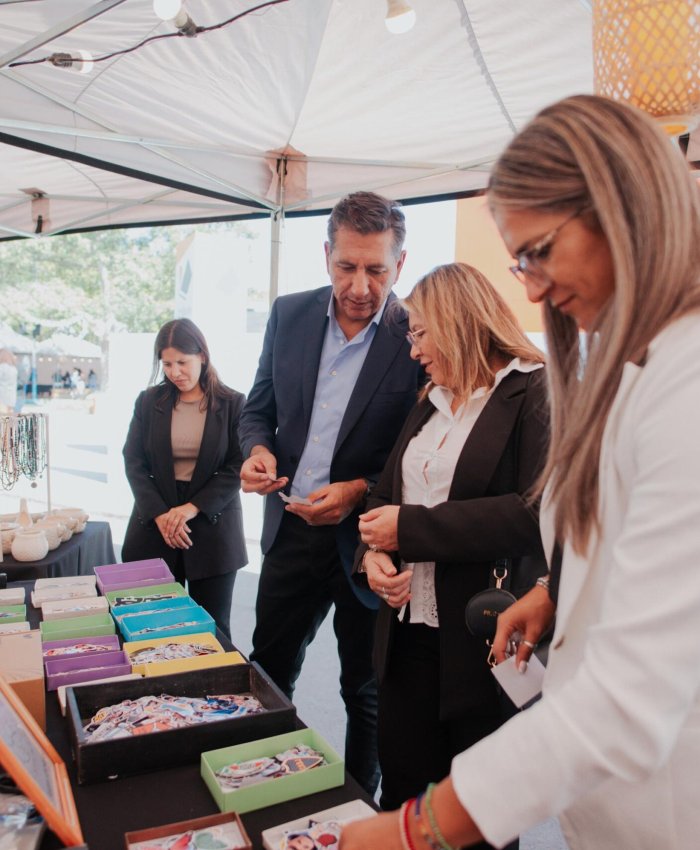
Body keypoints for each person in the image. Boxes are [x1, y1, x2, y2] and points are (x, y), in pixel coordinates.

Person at [340, 94, 700, 850]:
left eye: (539, 251)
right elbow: (610, 534)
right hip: (603, 801)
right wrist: (556, 593)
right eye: (519, 262)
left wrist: (420, 827)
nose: (531, 287)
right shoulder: (632, 363)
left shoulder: (684, 376)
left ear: (621, 208)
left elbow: (633, 691)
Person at [352, 263, 548, 842]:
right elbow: (386, 498)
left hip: (480, 641)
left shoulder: (532, 390)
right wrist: (374, 558)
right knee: (405, 796)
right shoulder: (430, 400)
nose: (413, 350)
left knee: (480, 817)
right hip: (406, 634)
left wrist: (410, 530)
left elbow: (534, 513)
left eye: (419, 333)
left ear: (457, 322)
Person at [238, 191, 424, 795]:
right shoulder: (288, 315)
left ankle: (361, 805)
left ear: (400, 263)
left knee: (365, 690)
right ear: (326, 256)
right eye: (347, 266)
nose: (360, 287)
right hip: (290, 531)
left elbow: (418, 454)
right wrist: (258, 450)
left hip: (366, 544)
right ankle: (262, 789)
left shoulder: (417, 335)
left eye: (376, 269)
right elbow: (258, 408)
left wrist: (358, 490)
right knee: (268, 672)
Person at [122, 318, 247, 639]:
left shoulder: (233, 403)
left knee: (213, 631)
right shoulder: (149, 401)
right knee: (152, 628)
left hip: (211, 526)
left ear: (202, 356)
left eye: (182, 362)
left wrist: (191, 509)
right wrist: (161, 515)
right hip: (155, 524)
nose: (175, 372)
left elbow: (237, 464)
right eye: (167, 364)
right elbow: (133, 461)